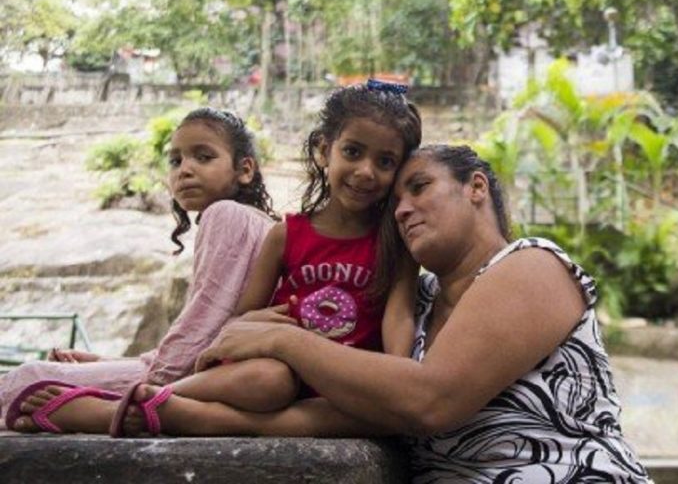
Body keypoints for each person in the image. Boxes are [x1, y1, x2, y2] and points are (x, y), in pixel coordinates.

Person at [75, 145, 649, 481]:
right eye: (395, 201)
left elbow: (429, 399)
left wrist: (286, 343)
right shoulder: (412, 313)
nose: (401, 209)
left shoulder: (530, 265)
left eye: (419, 187)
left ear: (476, 187)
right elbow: (355, 408)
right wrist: (185, 411)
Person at [7, 84, 424, 435]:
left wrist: (389, 374)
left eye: (385, 161)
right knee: (271, 380)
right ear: (323, 151)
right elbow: (239, 322)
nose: (366, 171)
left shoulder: (394, 247)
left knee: (365, 410)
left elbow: (398, 331)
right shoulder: (286, 233)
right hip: (273, 374)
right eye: (353, 152)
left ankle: (138, 409)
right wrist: (264, 330)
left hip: (342, 382)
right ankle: (153, 404)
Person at [3, 107, 276, 432]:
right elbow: (206, 332)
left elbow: (203, 330)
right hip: (221, 373)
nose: (185, 169)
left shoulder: (226, 215)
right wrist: (108, 364)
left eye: (203, 157)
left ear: (245, 170)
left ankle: (111, 409)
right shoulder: (257, 222)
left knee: (26, 380)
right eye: (176, 161)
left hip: (207, 378)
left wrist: (146, 386)